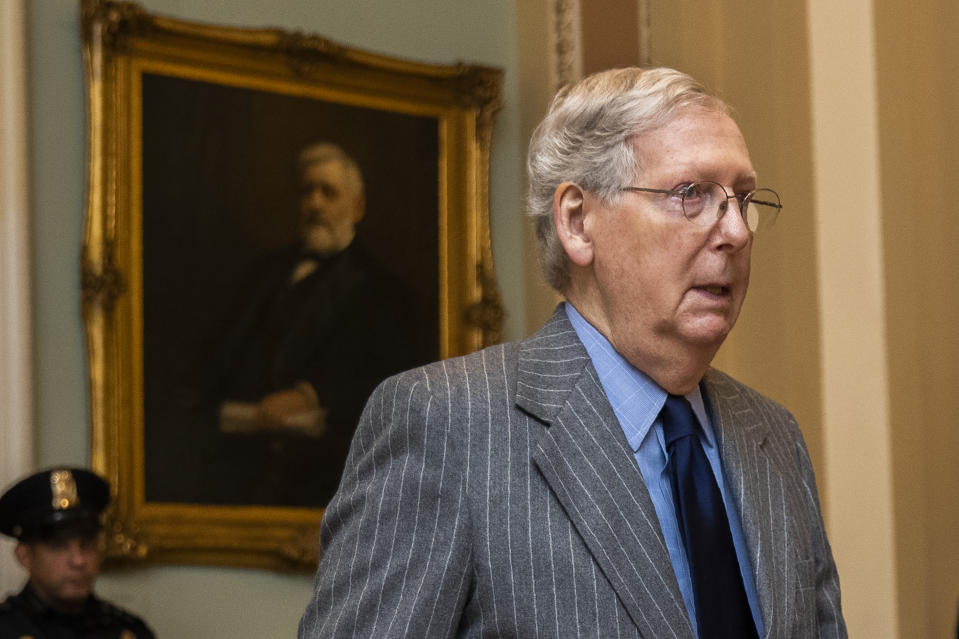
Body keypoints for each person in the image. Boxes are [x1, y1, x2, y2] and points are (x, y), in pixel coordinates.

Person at [298, 67, 846, 638]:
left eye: (743, 199)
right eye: (692, 195)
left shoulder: (773, 437)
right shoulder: (445, 424)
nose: (735, 230)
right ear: (578, 223)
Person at [163, 141, 431, 508]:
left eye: (329, 192)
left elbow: (399, 384)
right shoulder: (265, 273)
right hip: (239, 460)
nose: (315, 204)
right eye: (308, 191)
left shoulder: (384, 292)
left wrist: (311, 395)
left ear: (358, 207)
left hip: (324, 475)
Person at [0, 468, 155, 638]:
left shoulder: (127, 630)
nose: (79, 561)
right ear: (25, 556)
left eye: (87, 545)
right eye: (59, 547)